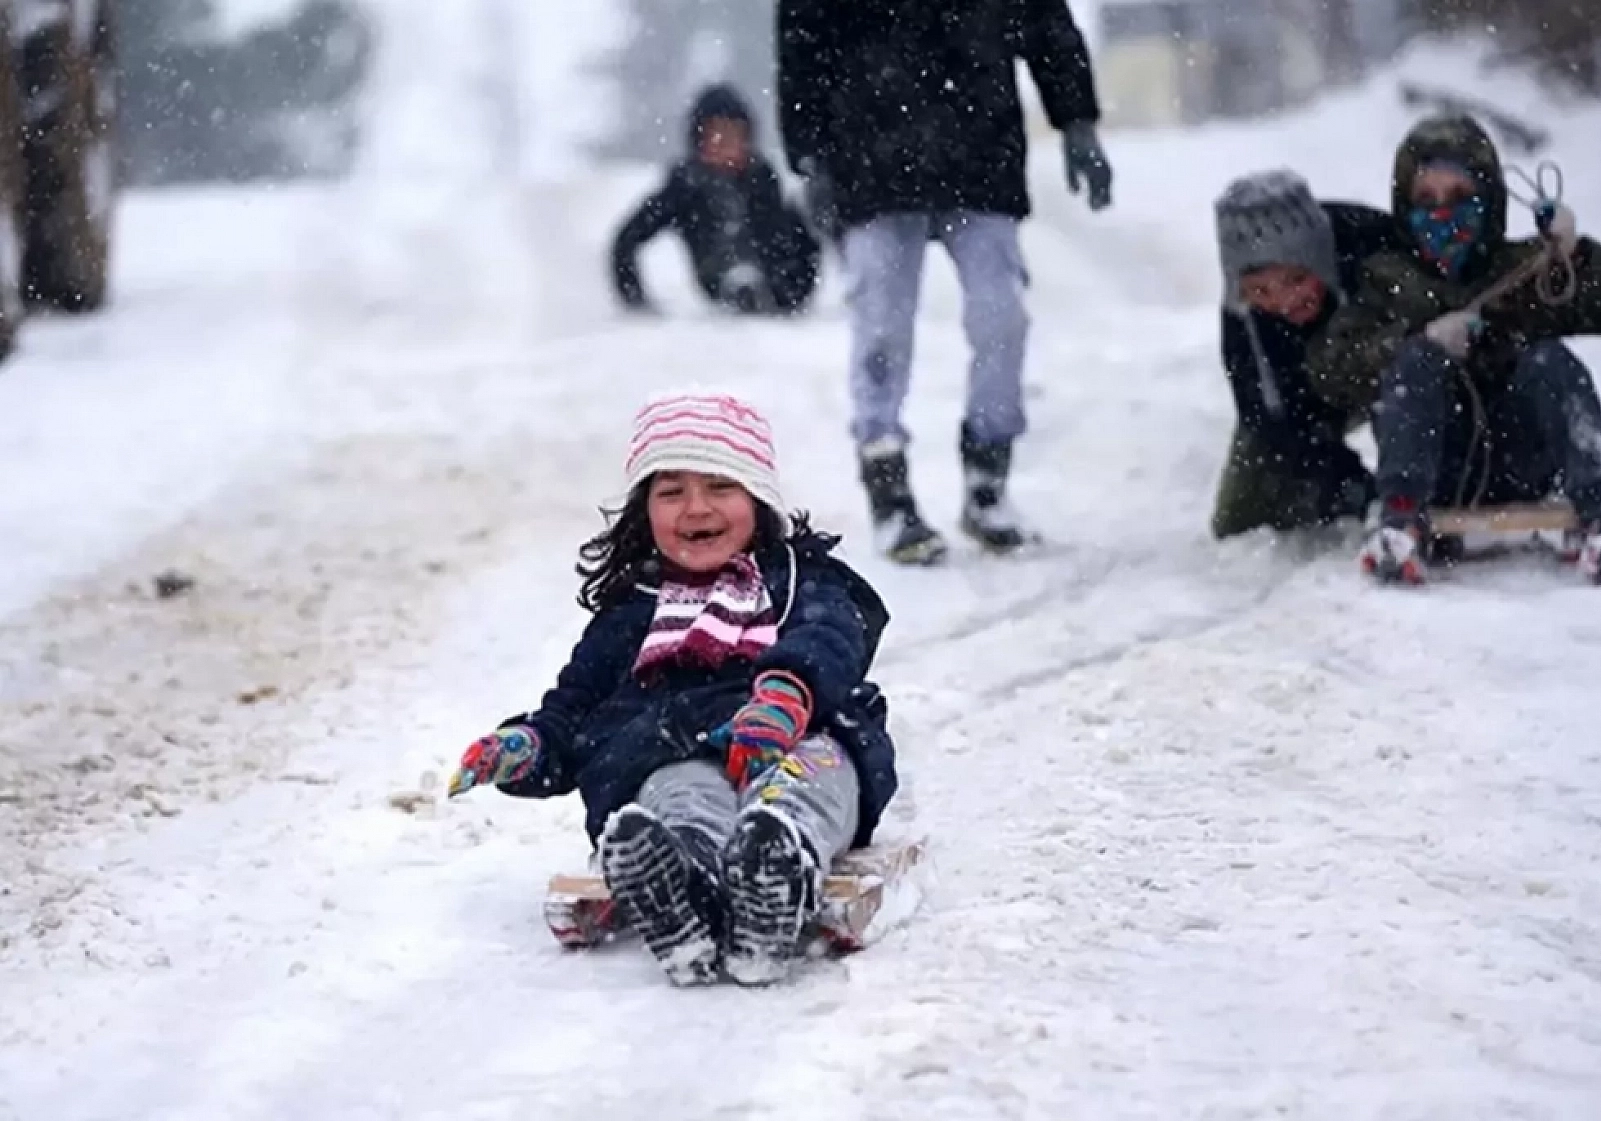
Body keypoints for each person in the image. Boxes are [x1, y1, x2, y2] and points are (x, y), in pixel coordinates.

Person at [445, 392, 898, 987]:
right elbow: (576, 708)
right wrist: (528, 745)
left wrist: (786, 693)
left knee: (804, 785)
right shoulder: (631, 611)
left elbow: (830, 636)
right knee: (679, 796)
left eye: (719, 486)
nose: (695, 508)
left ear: (758, 499)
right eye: (671, 492)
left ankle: (776, 868)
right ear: (644, 510)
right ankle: (681, 887)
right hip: (675, 752)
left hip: (794, 739)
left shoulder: (799, 580)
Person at [776, 0, 1114, 564]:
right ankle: (888, 489)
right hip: (870, 160)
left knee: (1001, 318)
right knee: (881, 328)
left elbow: (1045, 24)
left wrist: (1077, 121)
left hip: (980, 151)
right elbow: (803, 43)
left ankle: (988, 478)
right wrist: (810, 156)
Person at [1305, 114, 1601, 585]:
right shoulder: (1386, 280)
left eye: (1459, 199)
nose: (1442, 214)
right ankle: (1400, 523)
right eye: (1426, 201)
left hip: (1520, 456)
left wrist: (1577, 258)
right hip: (1434, 465)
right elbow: (1330, 370)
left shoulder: (1525, 269)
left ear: (1488, 201)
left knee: (1550, 359)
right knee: (1415, 363)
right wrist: (1417, 342)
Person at [1210, 170, 1405, 539]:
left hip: (1392, 373)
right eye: (1260, 291)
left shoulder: (1377, 249)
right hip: (1313, 395)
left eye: (1296, 281)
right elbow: (1268, 419)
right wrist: (1350, 485)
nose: (1283, 303)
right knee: (1239, 520)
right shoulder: (1243, 320)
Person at [609, 84, 821, 316]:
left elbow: (797, 241)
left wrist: (795, 290)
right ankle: (740, 284)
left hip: (779, 287)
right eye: (717, 135)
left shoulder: (763, 180)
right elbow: (627, 240)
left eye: (734, 135)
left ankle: (755, 286)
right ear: (699, 141)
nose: (726, 144)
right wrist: (635, 302)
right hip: (718, 279)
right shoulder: (685, 187)